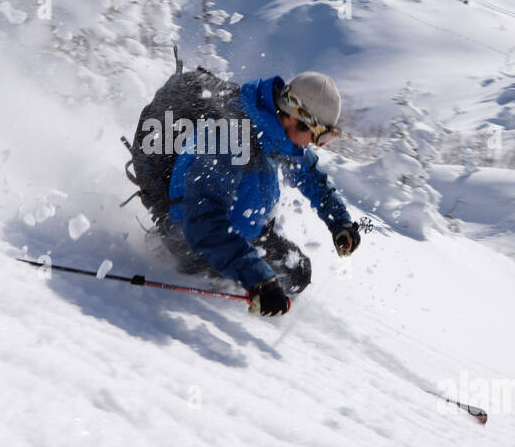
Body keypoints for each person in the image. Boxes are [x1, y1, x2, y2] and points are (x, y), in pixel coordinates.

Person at [155, 71, 362, 317]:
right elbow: (203, 219)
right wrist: (257, 279)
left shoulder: (279, 134)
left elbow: (310, 176)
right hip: (196, 238)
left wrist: (339, 221)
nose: (316, 144)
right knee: (269, 287)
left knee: (297, 274)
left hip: (240, 229)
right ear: (298, 118)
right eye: (320, 135)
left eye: (326, 138)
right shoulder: (232, 135)